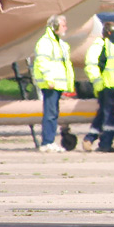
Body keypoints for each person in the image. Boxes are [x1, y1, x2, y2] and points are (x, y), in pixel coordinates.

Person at [81, 18, 114, 152]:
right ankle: (102, 142)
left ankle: (96, 140)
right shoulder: (102, 45)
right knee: (108, 116)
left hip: (111, 85)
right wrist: (98, 84)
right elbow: (94, 65)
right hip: (107, 85)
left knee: (106, 116)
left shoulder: (112, 44)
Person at [32, 15, 73, 152]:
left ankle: (50, 141)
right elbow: (42, 63)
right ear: (55, 27)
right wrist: (49, 80)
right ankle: (47, 142)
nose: (65, 28)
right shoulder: (45, 43)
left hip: (58, 83)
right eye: (63, 25)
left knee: (54, 113)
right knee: (50, 113)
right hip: (51, 83)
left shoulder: (60, 43)